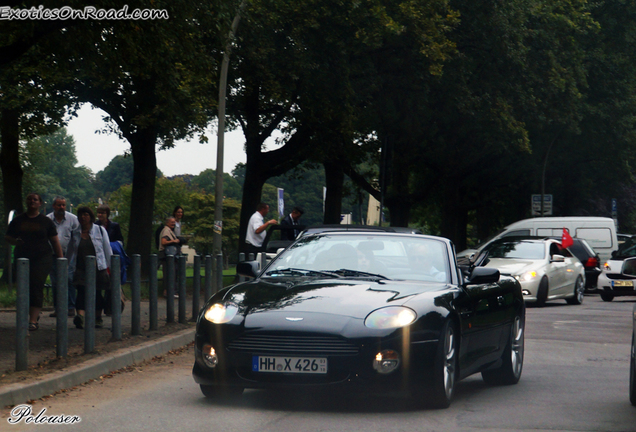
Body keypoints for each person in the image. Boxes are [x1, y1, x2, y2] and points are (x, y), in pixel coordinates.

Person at [5, 193, 63, 331]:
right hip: (22, 258)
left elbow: (54, 241)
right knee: (23, 287)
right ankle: (29, 314)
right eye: (29, 199)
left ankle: (32, 320)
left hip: (42, 258)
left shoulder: (46, 221)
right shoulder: (18, 220)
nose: (32, 201)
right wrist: (15, 241)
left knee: (36, 285)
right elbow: (8, 236)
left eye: (35, 199)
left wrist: (61, 260)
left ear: (40, 203)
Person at [71, 206, 112, 329]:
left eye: (86, 215)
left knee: (97, 292)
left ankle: (97, 317)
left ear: (91, 217)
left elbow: (106, 249)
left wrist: (108, 267)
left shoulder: (99, 230)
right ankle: (80, 317)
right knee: (81, 291)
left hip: (98, 267)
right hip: (80, 267)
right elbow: (71, 251)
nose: (83, 217)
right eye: (81, 215)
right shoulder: (75, 232)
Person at [46, 196, 81, 318]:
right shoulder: (48, 219)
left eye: (63, 205)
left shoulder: (73, 219)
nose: (61, 207)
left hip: (69, 255)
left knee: (69, 280)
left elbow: (77, 237)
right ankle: (58, 308)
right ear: (53, 206)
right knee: (55, 282)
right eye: (59, 205)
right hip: (52, 255)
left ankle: (71, 307)